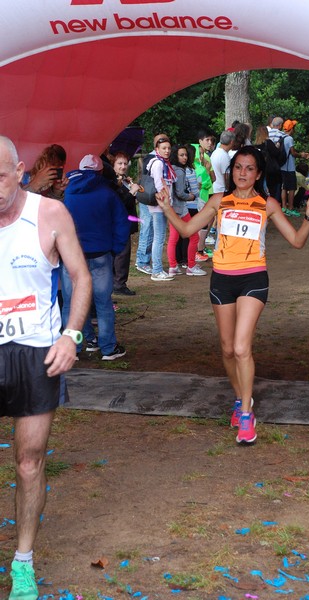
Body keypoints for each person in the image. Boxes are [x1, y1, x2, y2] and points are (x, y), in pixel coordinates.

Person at [156, 146, 309, 445]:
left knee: (243, 348)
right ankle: (239, 398)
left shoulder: (267, 204)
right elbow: (185, 230)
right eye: (238, 168)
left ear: (258, 174)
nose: (242, 173)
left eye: (249, 168)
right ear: (231, 171)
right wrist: (168, 208)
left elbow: (296, 241)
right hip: (222, 280)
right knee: (228, 349)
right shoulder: (219, 201)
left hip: (253, 279)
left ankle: (246, 413)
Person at [0, 135, 92, 600]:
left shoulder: (50, 214)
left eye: (0, 176)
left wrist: (71, 335)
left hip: (36, 351)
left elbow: (80, 276)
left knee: (30, 461)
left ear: (19, 171)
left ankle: (23, 562)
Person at [61, 154, 130, 360]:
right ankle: (108, 348)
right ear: (100, 171)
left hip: (73, 256)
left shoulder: (67, 193)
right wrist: (115, 249)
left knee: (71, 302)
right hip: (101, 254)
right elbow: (121, 223)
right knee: (103, 302)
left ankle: (75, 346)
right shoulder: (108, 194)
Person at [168, 145, 206, 277]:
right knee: (194, 236)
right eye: (181, 155)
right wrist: (191, 196)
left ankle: (173, 266)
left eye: (185, 155)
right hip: (180, 209)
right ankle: (191, 266)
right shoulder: (179, 171)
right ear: (176, 156)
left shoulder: (172, 168)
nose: (184, 157)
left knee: (173, 238)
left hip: (173, 208)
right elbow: (180, 193)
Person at [146, 137, 177, 281]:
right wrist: (166, 202)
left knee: (159, 237)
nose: (167, 151)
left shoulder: (164, 163)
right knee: (159, 238)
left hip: (161, 204)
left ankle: (157, 269)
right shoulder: (158, 163)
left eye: (169, 148)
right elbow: (159, 184)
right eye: (164, 148)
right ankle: (156, 270)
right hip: (159, 205)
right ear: (157, 150)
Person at [111, 151, 140, 296]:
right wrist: (132, 192)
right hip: (119, 224)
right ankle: (118, 284)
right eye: (119, 164)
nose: (123, 166)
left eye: (125, 163)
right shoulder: (113, 183)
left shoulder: (123, 181)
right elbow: (120, 204)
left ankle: (118, 283)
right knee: (121, 254)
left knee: (123, 254)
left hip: (126, 223)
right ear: (113, 165)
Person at [280, 120, 309, 217]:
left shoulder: (281, 136)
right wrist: (301, 155)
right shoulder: (289, 139)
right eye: (294, 127)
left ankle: (284, 207)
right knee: (292, 188)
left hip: (282, 166)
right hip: (289, 167)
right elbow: (293, 153)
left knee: (283, 187)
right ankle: (290, 208)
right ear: (291, 129)